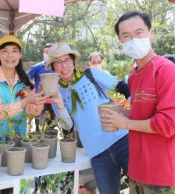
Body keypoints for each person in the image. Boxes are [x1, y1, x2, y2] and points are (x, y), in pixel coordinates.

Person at [101, 11, 175, 193]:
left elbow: (168, 123)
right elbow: (145, 114)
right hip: (139, 168)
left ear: (151, 33)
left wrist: (126, 123)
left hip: (163, 174)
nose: (133, 39)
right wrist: (125, 113)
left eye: (139, 32)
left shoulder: (167, 71)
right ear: (120, 41)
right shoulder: (134, 75)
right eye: (126, 36)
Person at [47, 42, 129, 194]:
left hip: (122, 141)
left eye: (67, 60)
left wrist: (133, 112)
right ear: (52, 66)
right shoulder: (55, 94)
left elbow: (123, 88)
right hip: (97, 153)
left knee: (141, 187)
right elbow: (68, 127)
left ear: (73, 61)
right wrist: (59, 102)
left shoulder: (91, 74)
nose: (64, 66)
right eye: (58, 62)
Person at [0, 35, 47, 139]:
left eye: (14, 51)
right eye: (5, 51)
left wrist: (40, 98)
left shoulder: (24, 81)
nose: (10, 55)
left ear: (20, 55)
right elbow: (0, 113)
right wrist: (25, 101)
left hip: (18, 140)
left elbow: (31, 113)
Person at [27, 43, 55, 131]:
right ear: (43, 53)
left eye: (51, 52)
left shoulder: (58, 66)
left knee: (51, 126)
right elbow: (26, 78)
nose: (48, 54)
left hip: (54, 100)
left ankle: (50, 140)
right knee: (39, 126)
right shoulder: (37, 67)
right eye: (46, 52)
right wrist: (31, 90)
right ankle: (38, 136)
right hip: (40, 100)